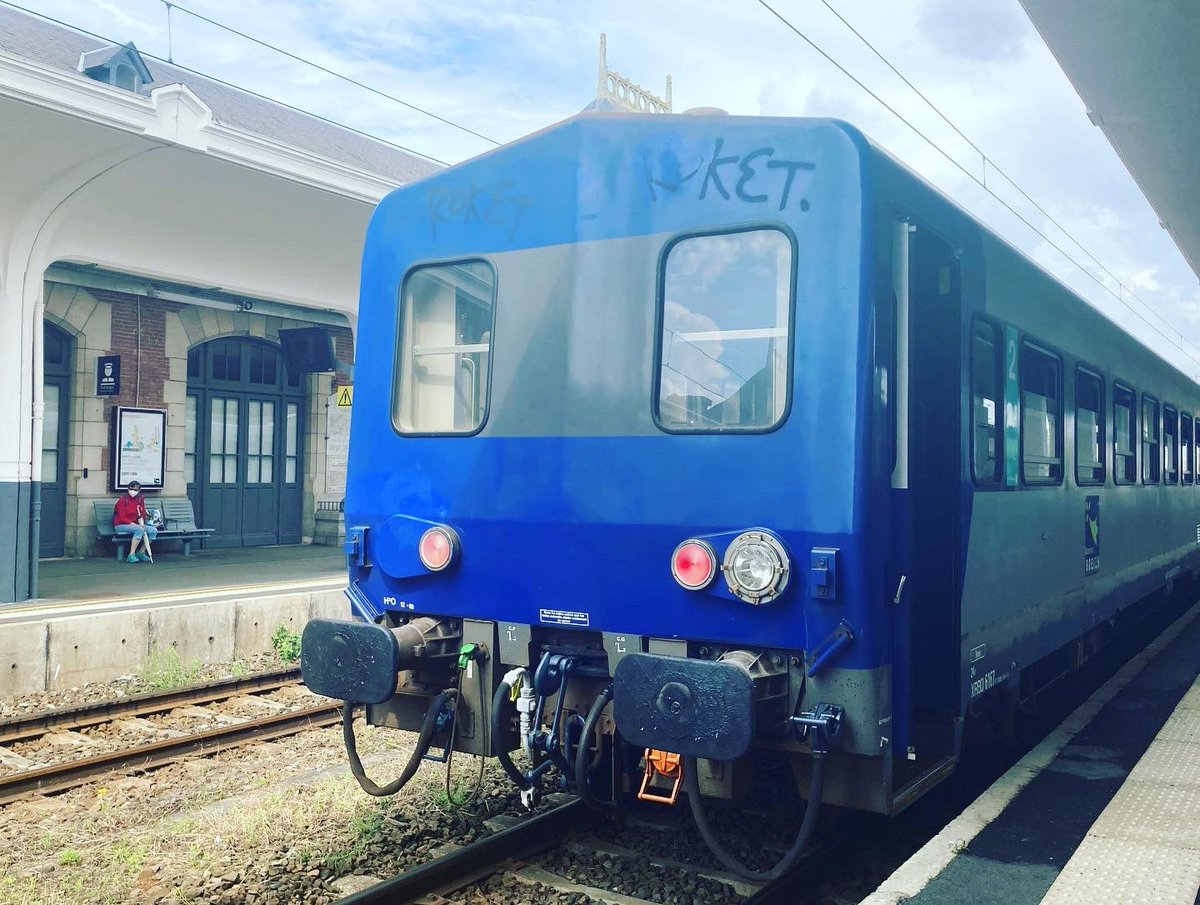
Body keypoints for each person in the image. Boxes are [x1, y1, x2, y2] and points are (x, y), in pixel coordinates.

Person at [113, 481, 157, 563]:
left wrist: (142, 523)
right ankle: (131, 554)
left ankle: (141, 552)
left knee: (153, 531)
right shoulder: (122, 500)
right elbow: (121, 517)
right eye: (131, 489)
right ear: (128, 489)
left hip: (136, 524)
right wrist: (136, 525)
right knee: (139, 529)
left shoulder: (140, 499)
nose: (133, 491)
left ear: (139, 490)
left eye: (135, 490)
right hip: (121, 524)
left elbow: (142, 513)